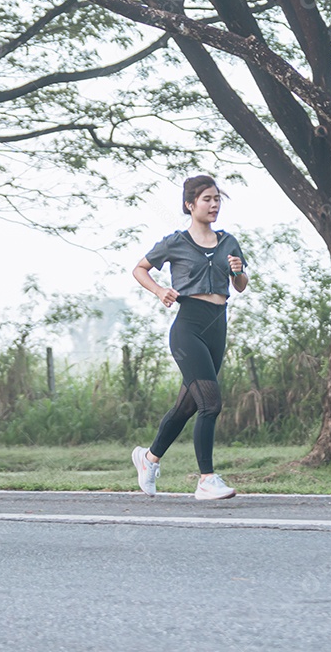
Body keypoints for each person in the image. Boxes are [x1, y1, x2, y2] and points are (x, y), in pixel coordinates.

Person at [131, 175, 248, 500]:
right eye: (207, 199)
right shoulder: (175, 242)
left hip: (217, 327)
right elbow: (140, 268)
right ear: (190, 204)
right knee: (210, 403)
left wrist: (238, 271)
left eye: (217, 199)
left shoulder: (228, 242)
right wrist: (159, 291)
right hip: (188, 328)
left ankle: (149, 458)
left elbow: (240, 286)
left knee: (187, 407)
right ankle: (206, 480)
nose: (214, 205)